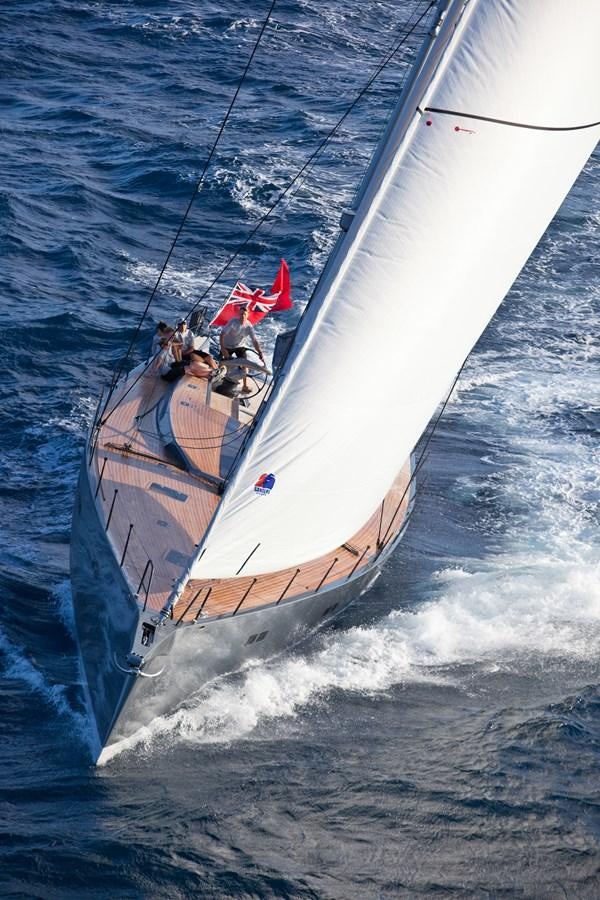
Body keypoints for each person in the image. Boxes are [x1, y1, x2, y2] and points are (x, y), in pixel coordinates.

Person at [219, 305, 265, 393]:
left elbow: (254, 340)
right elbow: (222, 334)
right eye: (241, 314)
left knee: (245, 364)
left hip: (239, 346)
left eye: (244, 314)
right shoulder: (232, 322)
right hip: (227, 345)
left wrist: (260, 352)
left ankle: (245, 386)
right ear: (238, 314)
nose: (242, 316)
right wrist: (223, 348)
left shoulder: (249, 326)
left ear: (247, 315)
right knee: (222, 362)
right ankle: (216, 377)